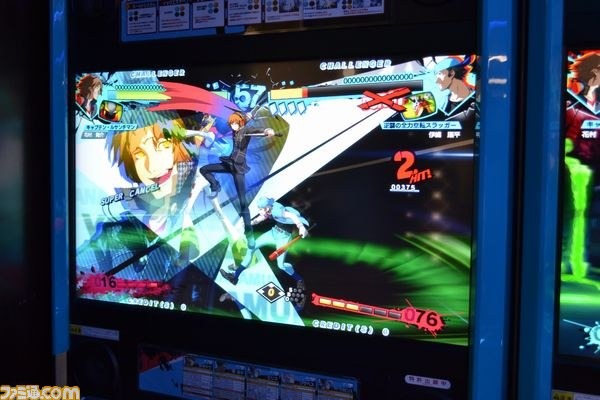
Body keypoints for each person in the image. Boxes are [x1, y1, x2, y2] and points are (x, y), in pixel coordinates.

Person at [199, 111, 276, 240]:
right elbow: (245, 118)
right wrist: (249, 115)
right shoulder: (237, 127)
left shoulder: (247, 130)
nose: (233, 126)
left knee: (243, 203)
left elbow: (258, 130)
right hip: (229, 163)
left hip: (238, 169)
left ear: (240, 123)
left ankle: (249, 235)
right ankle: (215, 185)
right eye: (232, 124)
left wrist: (267, 130)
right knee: (204, 170)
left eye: (235, 123)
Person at [219, 196, 308, 290]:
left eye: (261, 209)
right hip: (273, 232)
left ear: (267, 207)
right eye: (259, 208)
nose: (259, 211)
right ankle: (235, 277)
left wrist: (301, 227)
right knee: (251, 249)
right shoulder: (268, 210)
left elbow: (292, 215)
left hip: (283, 238)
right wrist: (251, 222)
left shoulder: (277, 210)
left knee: (281, 265)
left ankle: (299, 279)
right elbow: (263, 217)